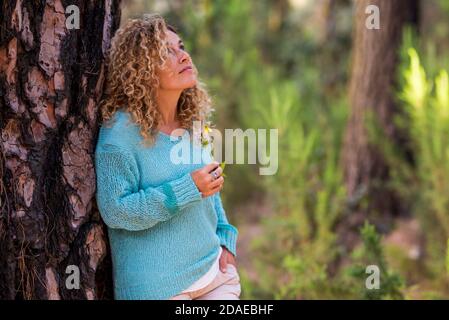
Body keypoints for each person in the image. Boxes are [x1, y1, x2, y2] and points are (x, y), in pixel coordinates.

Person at [95, 14, 240, 300]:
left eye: (181, 46)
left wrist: (226, 238)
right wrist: (188, 188)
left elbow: (209, 187)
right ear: (141, 70)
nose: (183, 56)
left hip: (215, 277)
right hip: (157, 289)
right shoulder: (119, 135)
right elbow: (116, 210)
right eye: (166, 52)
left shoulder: (191, 123)